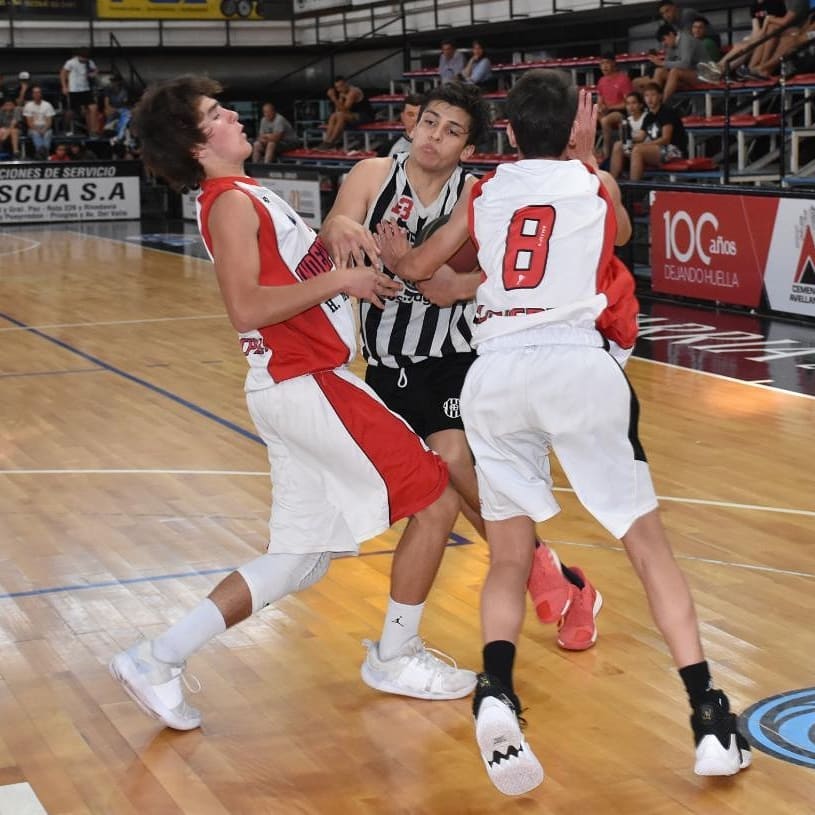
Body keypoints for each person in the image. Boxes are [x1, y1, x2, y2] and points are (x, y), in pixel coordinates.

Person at [392, 68, 751, 795]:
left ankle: (497, 690)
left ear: (508, 130)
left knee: (507, 556)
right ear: (580, 127)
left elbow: (423, 271)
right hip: (576, 366)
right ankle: (709, 718)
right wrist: (585, 159)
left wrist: (397, 250)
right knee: (647, 548)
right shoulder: (595, 183)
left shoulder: (486, 191)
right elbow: (617, 233)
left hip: (495, 372)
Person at [109, 76, 479, 734]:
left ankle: (156, 658)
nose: (233, 116)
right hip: (306, 380)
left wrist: (341, 248)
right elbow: (246, 307)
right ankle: (394, 655)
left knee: (298, 558)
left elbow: (294, 275)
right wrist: (343, 279)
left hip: (294, 384)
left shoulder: (243, 192)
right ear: (197, 144)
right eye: (217, 114)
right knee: (435, 498)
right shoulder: (228, 202)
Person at [321, 82, 602, 654]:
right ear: (411, 125)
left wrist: (458, 286)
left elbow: (509, 270)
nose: (435, 137)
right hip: (385, 360)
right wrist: (342, 229)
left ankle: (539, 572)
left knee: (451, 459)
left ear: (468, 149)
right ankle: (558, 577)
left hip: (454, 353)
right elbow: (335, 227)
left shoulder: (477, 193)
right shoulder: (372, 174)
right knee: (449, 485)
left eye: (452, 132)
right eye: (430, 123)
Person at [624, 81, 687, 180]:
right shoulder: (648, 116)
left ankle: (633, 187)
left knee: (638, 150)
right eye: (646, 96)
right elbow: (640, 137)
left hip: (674, 150)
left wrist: (644, 145)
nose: (649, 99)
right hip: (656, 149)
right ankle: (613, 185)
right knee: (619, 146)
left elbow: (666, 139)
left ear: (660, 96)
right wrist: (625, 137)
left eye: (653, 95)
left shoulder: (667, 112)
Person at [638, 22, 709, 101]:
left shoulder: (686, 40)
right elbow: (667, 64)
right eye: (661, 42)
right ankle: (652, 103)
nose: (663, 44)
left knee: (675, 72)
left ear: (671, 34)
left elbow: (685, 64)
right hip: (687, 74)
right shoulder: (671, 44)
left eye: (664, 39)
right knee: (658, 72)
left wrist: (662, 63)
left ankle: (661, 104)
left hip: (703, 74)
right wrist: (656, 65)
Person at [595, 52, 634, 160]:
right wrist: (600, 108)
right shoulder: (601, 81)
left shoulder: (623, 79)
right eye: (602, 64)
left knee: (605, 120)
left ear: (614, 63)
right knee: (585, 119)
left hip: (620, 112)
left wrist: (610, 108)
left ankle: (606, 154)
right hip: (606, 111)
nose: (604, 66)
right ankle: (590, 152)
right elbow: (600, 101)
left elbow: (628, 103)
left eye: (607, 63)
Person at [320, 76, 374, 149]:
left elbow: (344, 109)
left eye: (341, 86)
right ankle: (326, 141)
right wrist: (338, 104)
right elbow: (338, 110)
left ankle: (331, 142)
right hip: (352, 115)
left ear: (346, 84)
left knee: (341, 116)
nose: (340, 89)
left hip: (365, 116)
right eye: (337, 87)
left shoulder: (353, 92)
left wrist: (334, 98)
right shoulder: (341, 93)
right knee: (333, 116)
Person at [609, 91, 648, 178]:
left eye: (634, 103)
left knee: (621, 145)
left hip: (646, 147)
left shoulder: (647, 117)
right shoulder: (627, 120)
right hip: (632, 148)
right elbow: (623, 139)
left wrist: (627, 138)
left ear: (641, 105)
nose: (631, 107)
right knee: (617, 145)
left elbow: (641, 137)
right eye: (628, 104)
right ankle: (613, 179)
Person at [60, 48, 99, 136]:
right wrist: (64, 86)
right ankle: (65, 128)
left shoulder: (89, 62)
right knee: (71, 111)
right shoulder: (71, 62)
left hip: (86, 89)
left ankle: (92, 130)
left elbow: (96, 70)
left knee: (93, 108)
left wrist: (93, 74)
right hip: (74, 90)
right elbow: (63, 74)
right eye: (83, 57)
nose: (84, 59)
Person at [376, 93, 424, 157]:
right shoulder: (388, 147)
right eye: (410, 114)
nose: (415, 119)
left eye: (420, 115)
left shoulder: (436, 145)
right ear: (402, 117)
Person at [22, 85, 55, 160]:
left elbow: (49, 121)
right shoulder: (28, 105)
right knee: (35, 134)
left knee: (47, 134)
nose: (37, 94)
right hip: (33, 128)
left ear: (41, 94)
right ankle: (42, 154)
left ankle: (43, 154)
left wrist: (44, 129)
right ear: (32, 94)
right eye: (35, 92)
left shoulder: (47, 105)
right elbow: (29, 123)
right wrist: (37, 130)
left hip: (46, 127)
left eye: (38, 92)